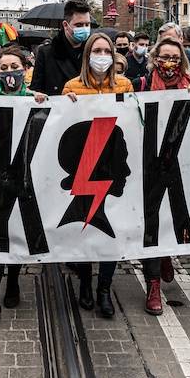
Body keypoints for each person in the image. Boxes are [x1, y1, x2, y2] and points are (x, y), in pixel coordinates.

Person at [0, 46, 47, 323]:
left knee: (16, 230)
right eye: (2, 68)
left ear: (24, 68)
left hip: (25, 176)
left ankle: (13, 280)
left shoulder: (35, 99)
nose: (8, 72)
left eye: (12, 66)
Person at [63, 32, 134, 317]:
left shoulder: (125, 85)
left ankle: (104, 288)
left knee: (111, 232)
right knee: (84, 228)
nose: (102, 56)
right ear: (87, 55)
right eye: (97, 50)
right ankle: (84, 283)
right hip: (84, 168)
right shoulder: (73, 86)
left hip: (111, 168)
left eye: (107, 51)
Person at [131, 36, 190, 315]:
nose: (169, 62)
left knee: (174, 218)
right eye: (164, 56)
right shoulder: (143, 84)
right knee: (151, 222)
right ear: (154, 58)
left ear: (181, 60)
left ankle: (166, 254)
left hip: (179, 164)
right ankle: (153, 283)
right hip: (149, 163)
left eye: (175, 57)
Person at [31, 0, 92, 96]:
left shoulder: (94, 51)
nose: (84, 29)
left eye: (87, 24)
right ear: (65, 25)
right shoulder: (46, 53)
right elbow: (37, 90)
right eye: (79, 25)